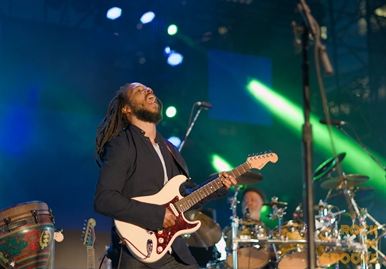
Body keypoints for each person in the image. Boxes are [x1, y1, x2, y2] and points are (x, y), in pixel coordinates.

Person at [93, 82, 237, 269]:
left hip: (174, 250)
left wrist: (217, 186)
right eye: (139, 90)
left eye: (148, 88)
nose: (149, 90)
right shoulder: (122, 144)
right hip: (137, 252)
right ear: (126, 108)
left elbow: (184, 200)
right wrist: (158, 214)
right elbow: (104, 199)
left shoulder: (170, 149)